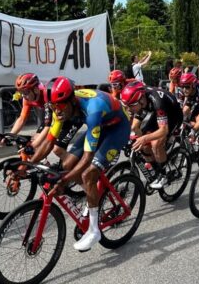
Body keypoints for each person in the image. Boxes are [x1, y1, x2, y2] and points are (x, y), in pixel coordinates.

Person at [29, 77, 131, 251]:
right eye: (53, 107)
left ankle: (94, 230)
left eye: (59, 107)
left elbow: (87, 156)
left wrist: (65, 180)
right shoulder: (60, 106)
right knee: (68, 164)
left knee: (88, 174)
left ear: (71, 101)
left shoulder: (93, 110)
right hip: (101, 125)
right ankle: (93, 196)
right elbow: (48, 142)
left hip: (118, 127)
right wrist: (27, 165)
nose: (57, 112)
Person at [121, 81, 183, 189]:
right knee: (136, 131)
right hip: (155, 112)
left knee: (156, 144)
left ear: (141, 99)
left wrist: (145, 138)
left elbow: (163, 130)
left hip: (173, 115)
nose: (129, 109)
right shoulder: (140, 99)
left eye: (131, 106)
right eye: (127, 106)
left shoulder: (158, 102)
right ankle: (156, 168)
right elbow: (133, 126)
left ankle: (164, 174)